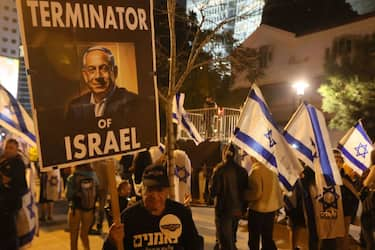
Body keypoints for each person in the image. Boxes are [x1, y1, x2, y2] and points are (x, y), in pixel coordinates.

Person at [103, 164, 204, 250]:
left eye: (159, 190)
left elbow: (195, 245)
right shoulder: (128, 217)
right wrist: (112, 242)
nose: (154, 196)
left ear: (167, 191)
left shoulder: (181, 213)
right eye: (150, 190)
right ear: (141, 191)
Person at [65, 46, 139, 131]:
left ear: (115, 72)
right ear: (85, 76)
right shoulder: (75, 107)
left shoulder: (134, 103)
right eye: (92, 70)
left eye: (104, 69)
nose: (98, 76)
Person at [210, 144, 248, 250]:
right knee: (231, 236)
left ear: (224, 154)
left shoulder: (219, 169)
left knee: (224, 240)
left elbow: (213, 191)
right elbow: (245, 192)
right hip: (238, 210)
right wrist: (243, 208)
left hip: (223, 210)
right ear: (235, 155)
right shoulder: (242, 171)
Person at [245, 156, 283, 250]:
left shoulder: (256, 171)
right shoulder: (272, 171)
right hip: (270, 211)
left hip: (257, 210)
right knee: (267, 237)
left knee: (254, 239)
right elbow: (278, 191)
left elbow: (256, 193)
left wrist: (244, 195)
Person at [66, 164, 99, 250]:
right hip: (88, 209)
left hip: (75, 208)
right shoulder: (93, 175)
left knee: (73, 237)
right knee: (84, 235)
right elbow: (98, 190)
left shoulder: (72, 177)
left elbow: (68, 195)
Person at [359, 149, 375, 250]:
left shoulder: (371, 169)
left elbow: (364, 184)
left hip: (371, 203)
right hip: (371, 202)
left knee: (367, 228)